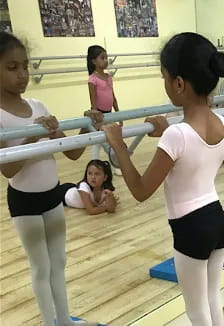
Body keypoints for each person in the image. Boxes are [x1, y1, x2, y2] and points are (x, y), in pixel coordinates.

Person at [102, 32, 224, 326]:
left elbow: (140, 190)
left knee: (196, 309)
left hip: (191, 229)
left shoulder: (177, 135)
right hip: (218, 220)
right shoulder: (221, 123)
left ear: (178, 83)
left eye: (164, 76)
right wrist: (167, 131)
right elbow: (192, 149)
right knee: (212, 297)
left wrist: (118, 145)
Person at [0, 31, 102, 326]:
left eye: (25, 66)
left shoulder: (38, 106)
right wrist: (32, 135)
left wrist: (87, 126)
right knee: (40, 266)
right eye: (11, 68)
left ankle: (65, 322)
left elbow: (71, 153)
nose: (21, 75)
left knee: (59, 262)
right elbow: (8, 169)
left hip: (52, 194)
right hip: (24, 200)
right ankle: (49, 322)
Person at [86, 45, 122, 174]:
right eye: (102, 58)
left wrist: (119, 114)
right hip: (99, 115)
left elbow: (113, 96)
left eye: (106, 57)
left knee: (112, 141)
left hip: (110, 115)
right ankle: (94, 169)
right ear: (94, 61)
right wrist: (96, 119)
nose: (106, 60)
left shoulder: (109, 77)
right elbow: (93, 99)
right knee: (98, 142)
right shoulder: (92, 79)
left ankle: (115, 166)